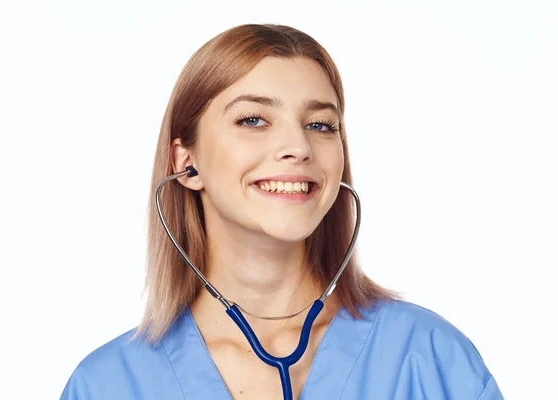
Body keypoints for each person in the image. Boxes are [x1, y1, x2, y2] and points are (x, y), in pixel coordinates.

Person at [61, 24, 504, 399]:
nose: (298, 147)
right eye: (253, 120)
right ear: (186, 163)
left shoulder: (429, 360)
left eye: (320, 125)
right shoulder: (107, 385)